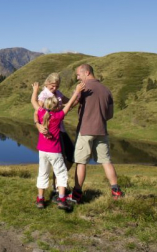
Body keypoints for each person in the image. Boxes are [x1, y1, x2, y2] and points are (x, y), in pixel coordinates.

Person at [66, 64, 124, 204]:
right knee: (106, 161)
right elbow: (109, 114)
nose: (78, 78)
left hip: (85, 130)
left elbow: (71, 105)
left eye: (79, 75)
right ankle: (116, 191)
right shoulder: (106, 90)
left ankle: (77, 194)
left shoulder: (84, 88)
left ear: (86, 73)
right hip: (101, 130)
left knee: (81, 162)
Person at [31, 81, 84, 210]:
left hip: (42, 151)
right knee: (61, 174)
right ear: (56, 106)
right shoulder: (58, 116)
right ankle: (61, 199)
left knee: (43, 173)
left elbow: (33, 101)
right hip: (55, 151)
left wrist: (35, 90)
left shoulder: (41, 112)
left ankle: (40, 200)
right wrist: (77, 91)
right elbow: (69, 104)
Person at [34, 73, 76, 196]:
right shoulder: (43, 96)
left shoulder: (58, 94)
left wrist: (77, 96)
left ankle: (56, 184)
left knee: (70, 156)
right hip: (52, 133)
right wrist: (38, 125)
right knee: (60, 159)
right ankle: (58, 188)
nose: (55, 88)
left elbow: (69, 103)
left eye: (57, 86)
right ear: (47, 83)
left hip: (60, 130)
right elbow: (37, 112)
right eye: (52, 86)